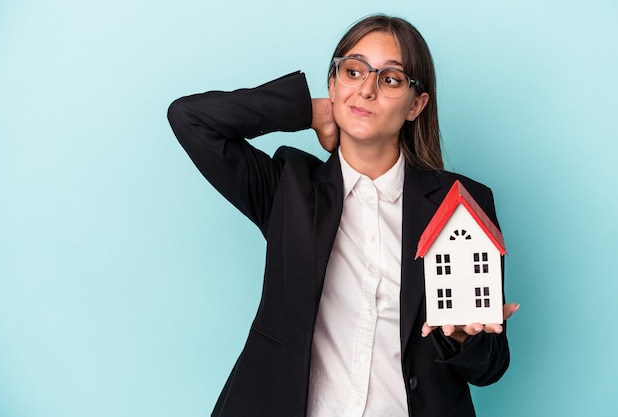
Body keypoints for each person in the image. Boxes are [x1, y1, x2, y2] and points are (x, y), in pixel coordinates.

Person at [167, 14, 518, 417]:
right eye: (353, 72)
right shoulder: (288, 190)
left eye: (390, 79)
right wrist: (308, 112)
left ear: (416, 104)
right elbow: (190, 118)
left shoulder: (459, 202)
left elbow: (490, 366)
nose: (366, 89)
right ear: (332, 83)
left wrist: (462, 341)